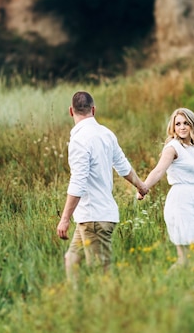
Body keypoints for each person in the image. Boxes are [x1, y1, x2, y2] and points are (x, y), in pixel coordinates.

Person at [56, 91, 148, 282]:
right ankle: (76, 302)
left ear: (71, 112)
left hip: (94, 218)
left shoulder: (79, 140)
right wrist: (141, 186)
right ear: (94, 110)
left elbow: (78, 181)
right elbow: (123, 167)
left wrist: (64, 218)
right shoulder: (107, 134)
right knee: (71, 259)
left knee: (100, 273)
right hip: (90, 217)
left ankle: (106, 306)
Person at [138, 107, 194, 268]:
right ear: (173, 127)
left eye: (186, 123)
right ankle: (168, 286)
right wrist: (143, 187)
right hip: (179, 203)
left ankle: (190, 287)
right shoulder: (173, 147)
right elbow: (158, 170)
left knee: (193, 257)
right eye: (178, 124)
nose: (182, 127)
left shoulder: (192, 148)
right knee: (189, 257)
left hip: (191, 203)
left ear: (192, 125)